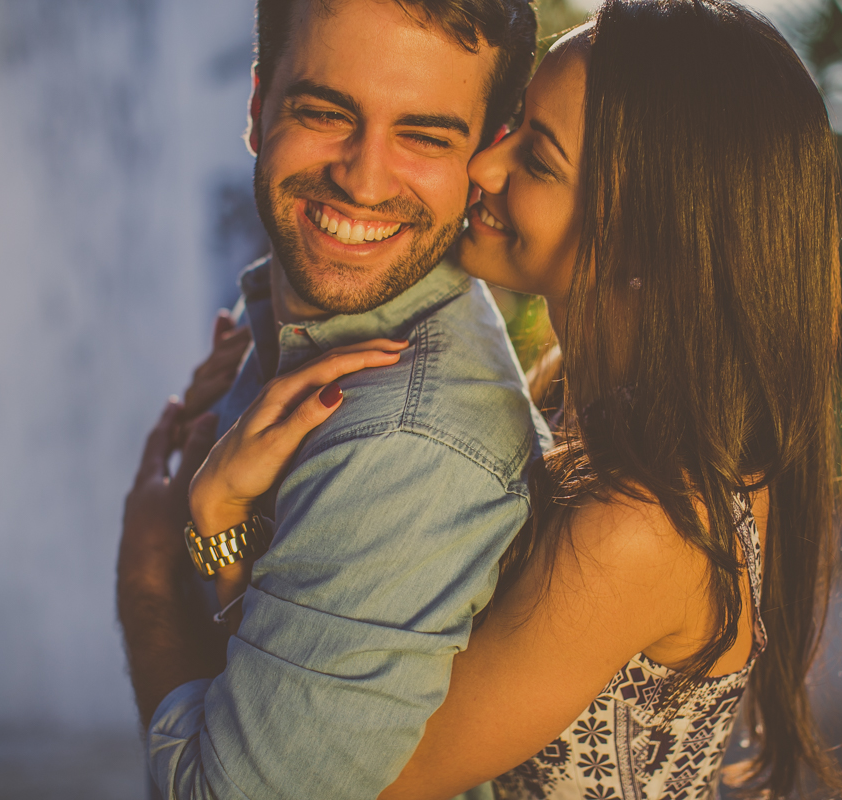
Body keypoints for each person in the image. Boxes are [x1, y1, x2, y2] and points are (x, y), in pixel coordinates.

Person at [186, 0, 842, 798]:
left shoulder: (638, 527)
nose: (483, 167)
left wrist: (212, 525)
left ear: (647, 232)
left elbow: (341, 780)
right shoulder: (609, 410)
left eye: (535, 159)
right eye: (507, 131)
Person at [115, 0, 546, 797]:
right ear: (256, 110)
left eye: (423, 135)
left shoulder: (409, 448)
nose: (363, 178)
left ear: (484, 157)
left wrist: (144, 570)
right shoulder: (286, 328)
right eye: (325, 112)